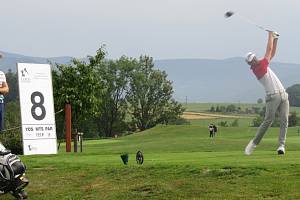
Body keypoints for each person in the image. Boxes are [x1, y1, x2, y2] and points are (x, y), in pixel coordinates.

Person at [244, 31, 289, 155]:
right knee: (268, 120)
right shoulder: (258, 68)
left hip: (283, 94)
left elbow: (272, 53)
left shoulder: (261, 63)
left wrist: (276, 39)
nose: (254, 60)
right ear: (250, 64)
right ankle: (253, 144)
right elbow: (269, 51)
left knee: (284, 121)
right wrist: (270, 34)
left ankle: (281, 146)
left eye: (254, 58)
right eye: (252, 60)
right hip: (272, 97)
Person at [0, 53, 9, 132]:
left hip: (0, 103)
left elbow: (6, 89)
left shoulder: (1, 73)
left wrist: (2, 89)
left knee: (1, 128)